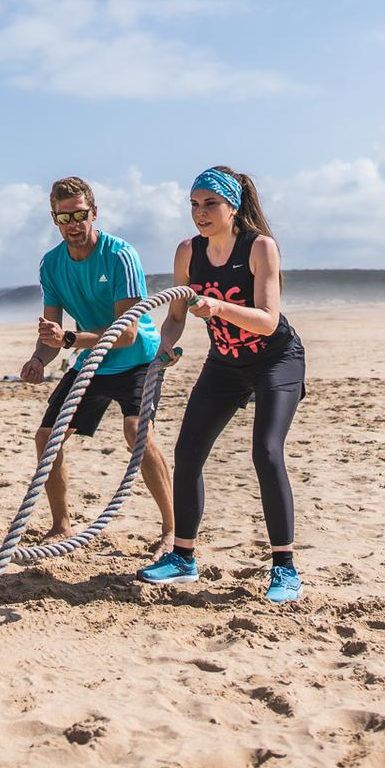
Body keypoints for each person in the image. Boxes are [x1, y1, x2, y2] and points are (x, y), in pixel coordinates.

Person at [139, 166, 307, 603]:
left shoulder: (259, 248)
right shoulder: (187, 252)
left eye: (210, 204)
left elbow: (268, 321)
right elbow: (175, 316)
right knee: (187, 451)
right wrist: (168, 348)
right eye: (194, 205)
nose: (200, 213)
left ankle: (284, 568)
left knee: (266, 452)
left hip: (275, 360)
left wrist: (216, 306)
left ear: (232, 205)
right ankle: (182, 559)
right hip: (225, 363)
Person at [18, 176, 173, 544]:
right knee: (46, 437)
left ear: (94, 212)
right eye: (63, 218)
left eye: (79, 215)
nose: (72, 225)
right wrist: (39, 359)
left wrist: (70, 339)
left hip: (138, 359)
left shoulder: (119, 255)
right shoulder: (51, 265)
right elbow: (52, 335)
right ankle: (61, 525)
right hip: (94, 360)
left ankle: (172, 529)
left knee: (137, 432)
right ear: (54, 218)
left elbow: (128, 333)